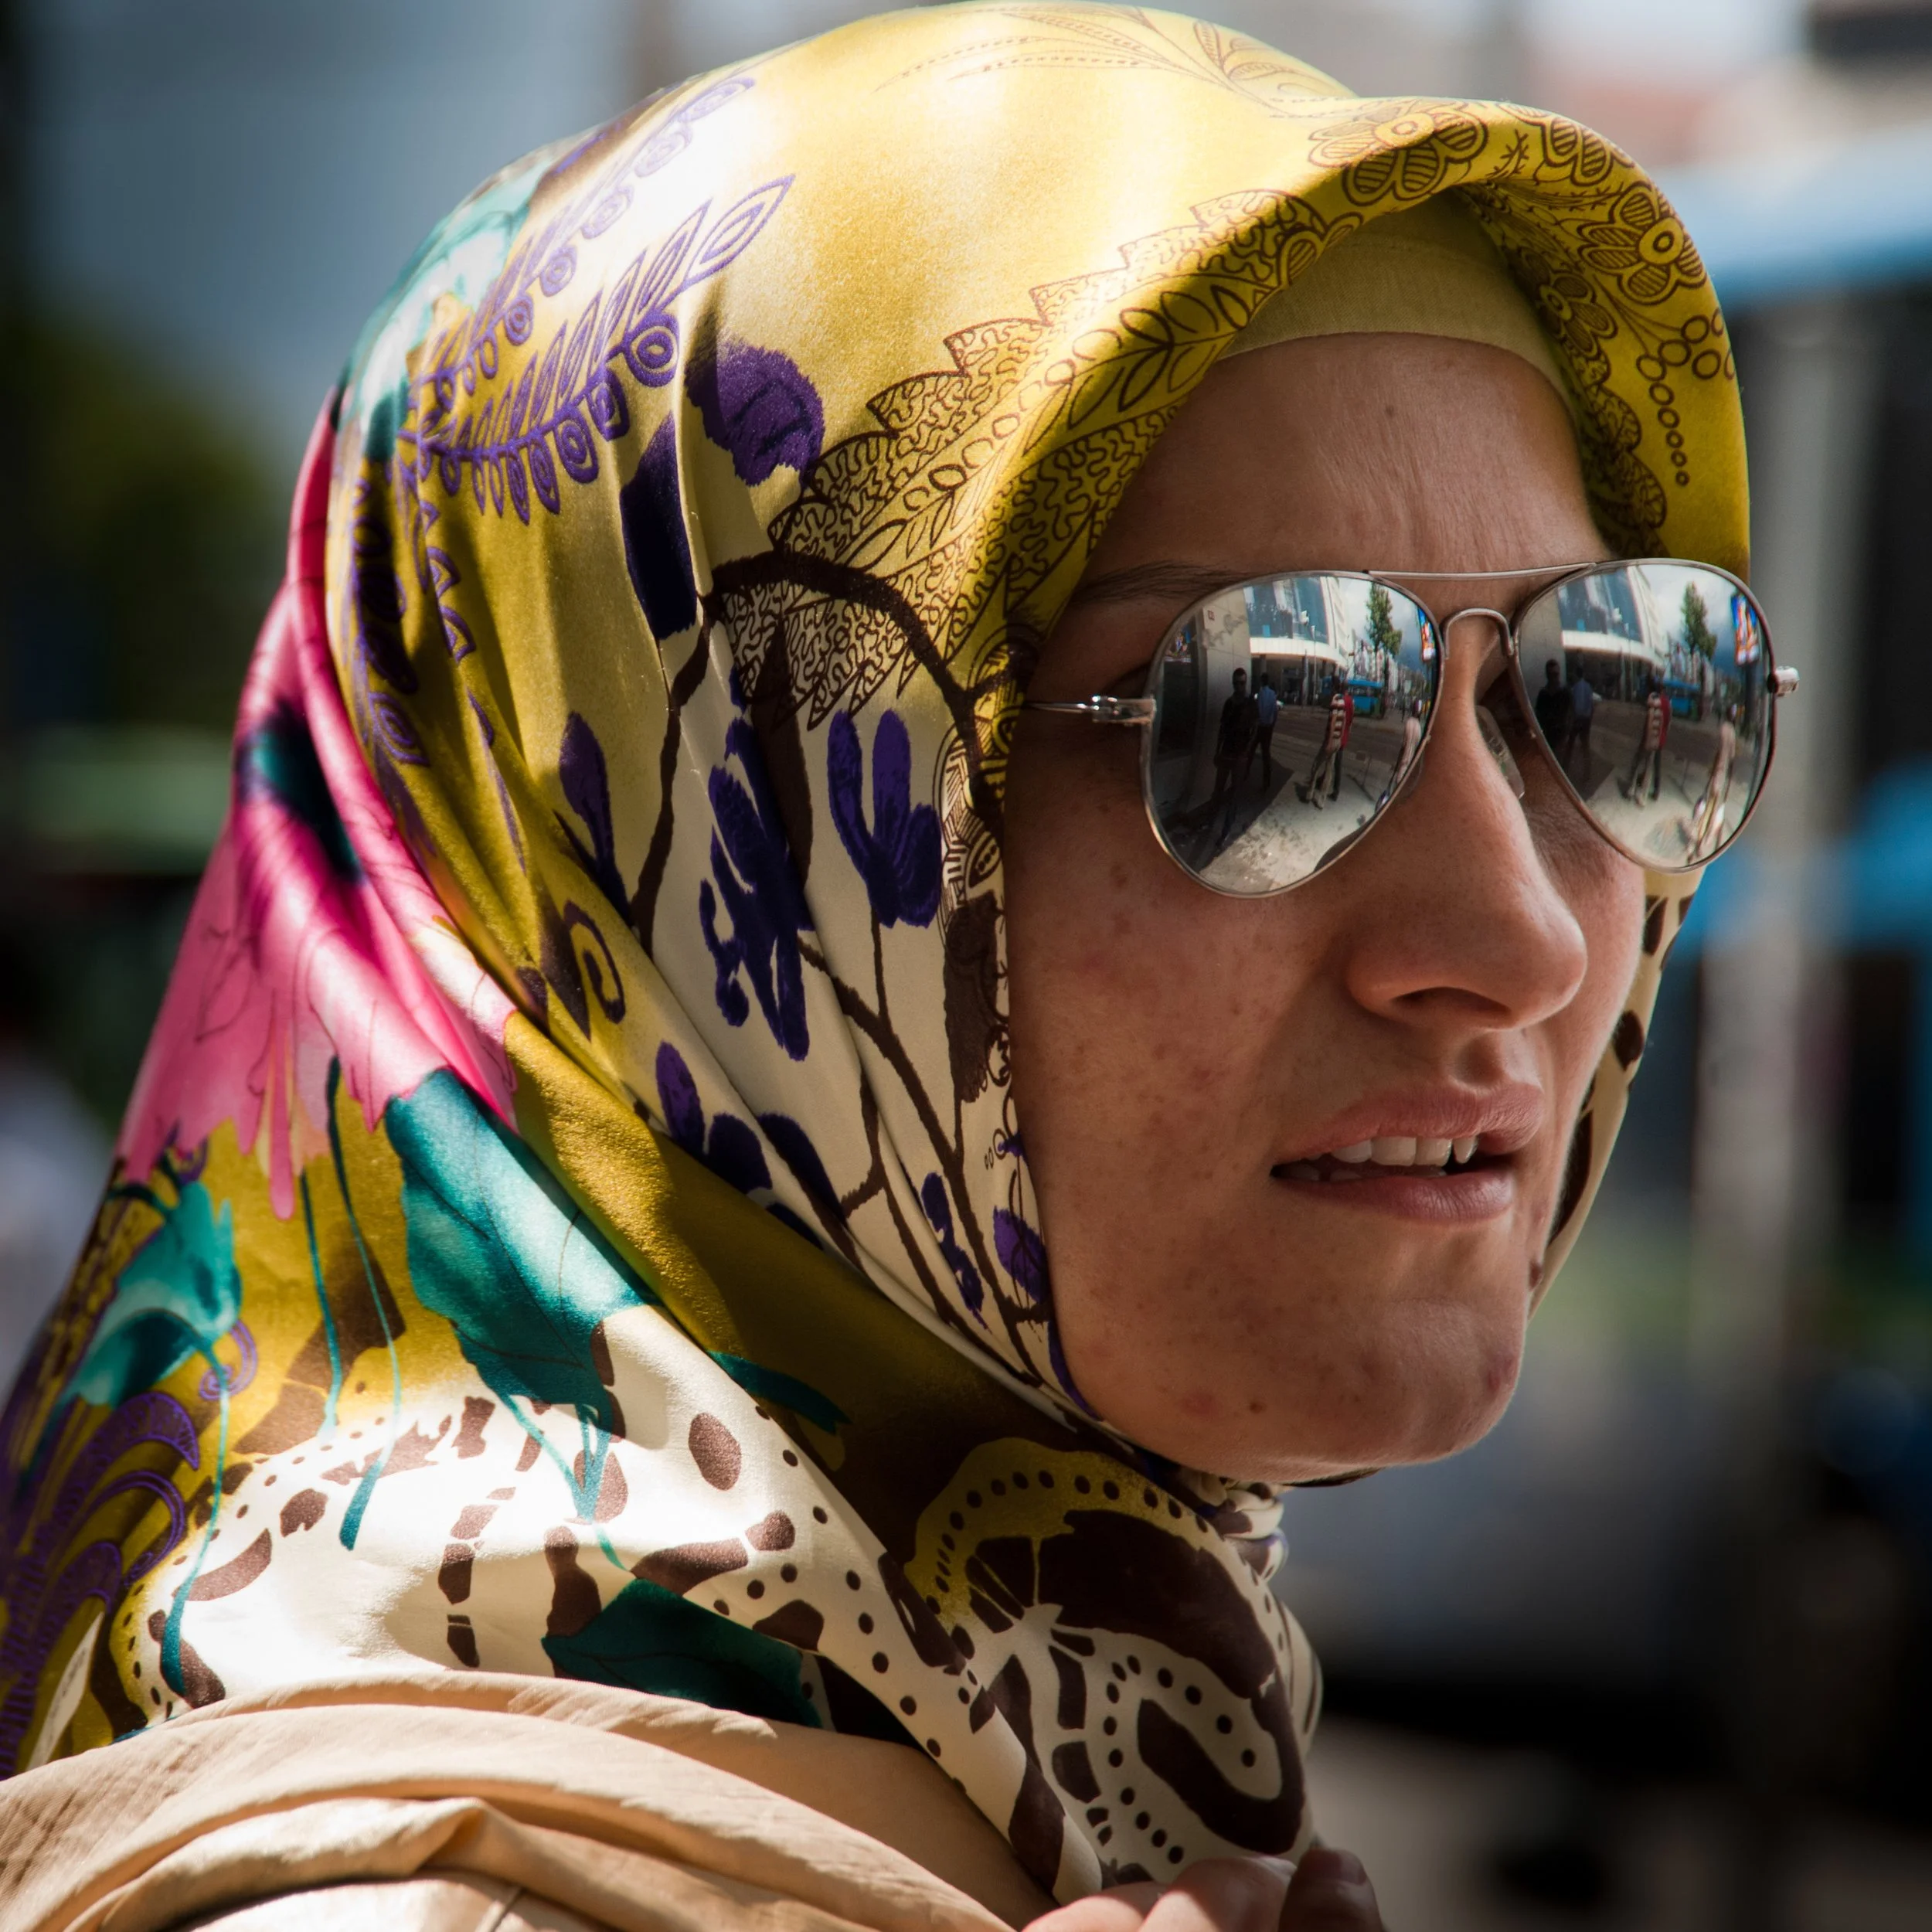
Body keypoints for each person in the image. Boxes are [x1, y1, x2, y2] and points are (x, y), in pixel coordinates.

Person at [0, 10, 1757, 1931]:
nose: (1520, 934)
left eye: (1617, 693)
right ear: (686, 836)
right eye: (1263, 714)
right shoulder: (412, 1899)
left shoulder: (1053, 1795)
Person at [1209, 666, 1260, 836]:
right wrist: (1217, 751)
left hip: (1240, 757)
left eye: (1242, 683)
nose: (1239, 686)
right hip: (1226, 753)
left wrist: (1247, 753)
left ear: (1245, 684)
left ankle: (1227, 828)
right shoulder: (1229, 704)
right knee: (1218, 790)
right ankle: (1212, 821)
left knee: (1234, 794)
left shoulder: (1250, 703)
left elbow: (1255, 730)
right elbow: (1222, 729)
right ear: (1233, 683)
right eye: (1236, 683)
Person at [1622, 675, 1669, 803]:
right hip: (1659, 740)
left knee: (1638, 763)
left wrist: (1650, 698)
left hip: (1649, 739)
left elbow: (1650, 705)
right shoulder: (1667, 704)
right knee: (1652, 766)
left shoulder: (1657, 702)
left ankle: (1631, 789)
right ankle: (1646, 794)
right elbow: (1667, 724)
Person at [1533, 658, 1572, 764]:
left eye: (1555, 674)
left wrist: (1568, 732)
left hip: (1561, 733)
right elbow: (1539, 714)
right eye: (1551, 675)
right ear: (1547, 675)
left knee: (1560, 762)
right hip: (1548, 734)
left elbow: (1572, 714)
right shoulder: (1543, 694)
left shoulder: (1565, 692)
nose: (1553, 678)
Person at [1252, 671, 1280, 791]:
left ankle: (1245, 774)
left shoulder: (1261, 694)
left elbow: (1257, 710)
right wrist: (1272, 725)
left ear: (1262, 681)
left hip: (1261, 727)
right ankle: (1267, 781)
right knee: (1266, 754)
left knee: (1251, 749)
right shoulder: (1273, 694)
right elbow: (1275, 712)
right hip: (1268, 728)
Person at [1568, 664, 1597, 781]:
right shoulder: (1588, 687)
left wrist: (1573, 718)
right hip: (1586, 720)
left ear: (1576, 675)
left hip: (1578, 720)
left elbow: (1578, 706)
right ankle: (1587, 773)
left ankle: (1565, 768)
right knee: (1585, 746)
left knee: (1571, 744)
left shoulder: (1576, 688)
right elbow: (1591, 705)